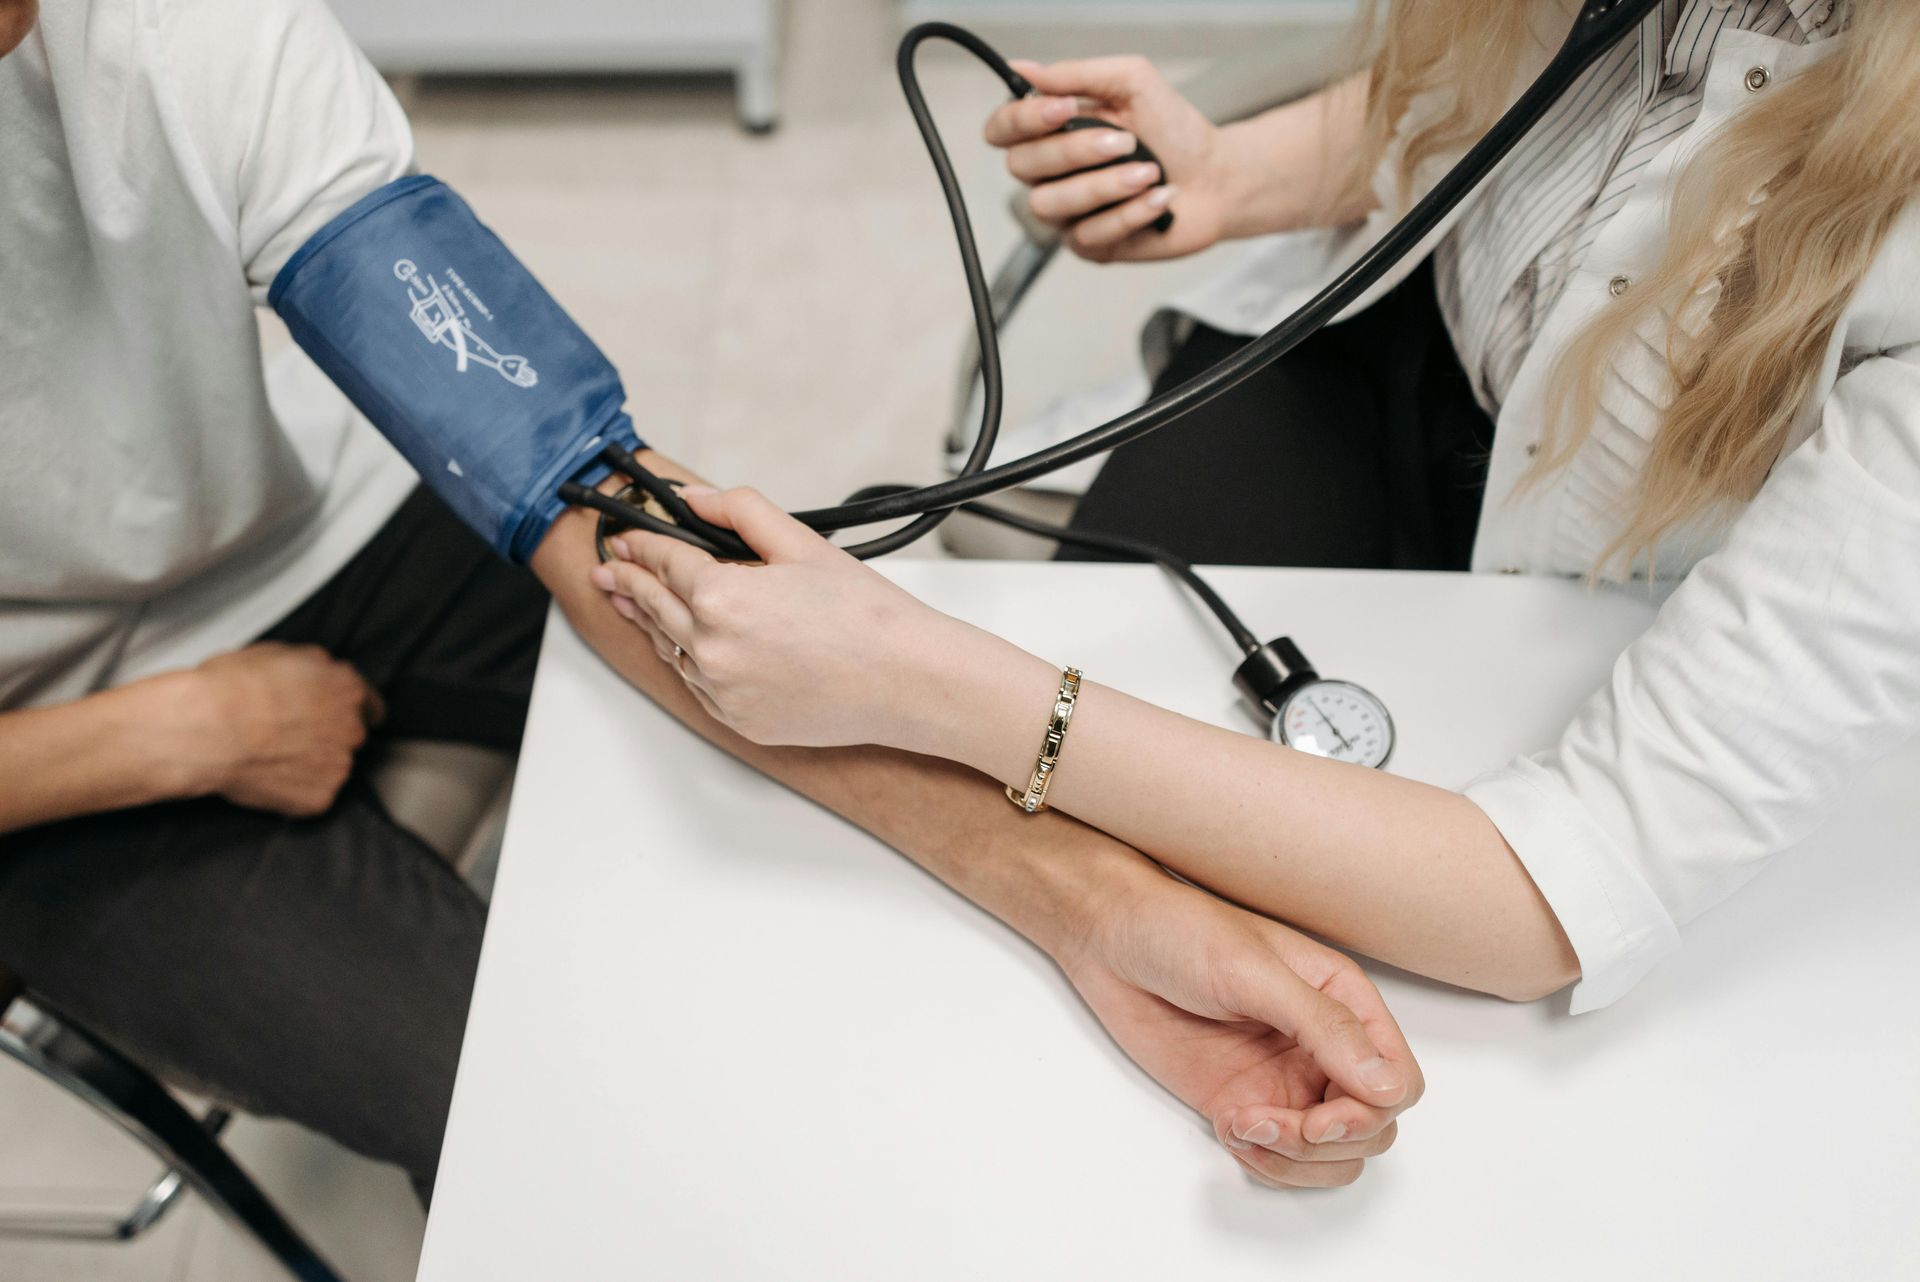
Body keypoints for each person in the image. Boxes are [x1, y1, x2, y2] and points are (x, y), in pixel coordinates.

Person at [0, 0, 1418, 1203]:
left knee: (789, 722)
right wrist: (177, 736)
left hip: (323, 519)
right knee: (542, 1138)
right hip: (51, 753)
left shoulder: (174, 30)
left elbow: (578, 492)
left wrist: (1094, 904)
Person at [588, 0, 1920, 1019]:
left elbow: (1555, 895)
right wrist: (1232, 177)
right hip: (1386, 358)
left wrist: (913, 674)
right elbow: (1523, 102)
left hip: (1602, 588)